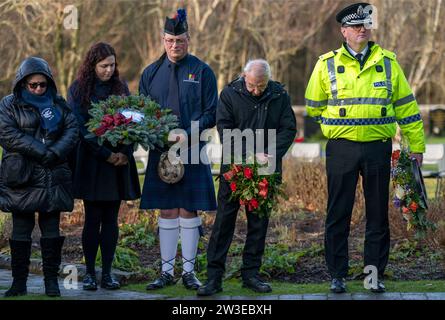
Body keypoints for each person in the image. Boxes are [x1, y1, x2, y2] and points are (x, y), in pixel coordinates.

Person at [304, 3, 425, 293]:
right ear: (343, 31)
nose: (362, 29)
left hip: (377, 148)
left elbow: (407, 108)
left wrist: (417, 146)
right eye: (355, 26)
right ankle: (337, 275)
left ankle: (373, 276)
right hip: (341, 148)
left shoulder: (388, 62)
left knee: (377, 215)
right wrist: (335, 128)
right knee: (338, 213)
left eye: (365, 25)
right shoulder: (326, 63)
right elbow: (312, 107)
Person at [197, 59, 297, 296]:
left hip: (265, 171)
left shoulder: (279, 95)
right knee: (223, 223)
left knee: (258, 224)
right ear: (244, 76)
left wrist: (270, 155)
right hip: (235, 169)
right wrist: (251, 156)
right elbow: (224, 129)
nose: (256, 90)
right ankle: (214, 277)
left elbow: (288, 129)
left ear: (268, 80)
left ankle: (251, 274)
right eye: (252, 85)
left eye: (261, 86)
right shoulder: (230, 94)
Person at [139, 8, 217, 290]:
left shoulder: (203, 71)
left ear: (188, 39)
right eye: (170, 41)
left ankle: (189, 272)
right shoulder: (150, 73)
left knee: (189, 210)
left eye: (180, 40)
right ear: (163, 40)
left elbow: (211, 113)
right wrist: (158, 133)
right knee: (167, 210)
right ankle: (166, 272)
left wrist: (187, 133)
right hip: (162, 151)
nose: (175, 46)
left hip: (193, 149)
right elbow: (142, 113)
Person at [0, 57, 79, 297]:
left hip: (51, 175)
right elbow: (7, 133)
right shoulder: (8, 104)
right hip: (22, 176)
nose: (37, 89)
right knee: (21, 231)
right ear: (22, 83)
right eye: (32, 85)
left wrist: (55, 152)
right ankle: (19, 282)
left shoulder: (58, 103)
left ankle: (51, 282)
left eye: (42, 85)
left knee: (51, 231)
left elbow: (73, 130)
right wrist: (41, 150)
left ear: (49, 83)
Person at [67, 42, 141, 291]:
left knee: (111, 218)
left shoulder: (121, 88)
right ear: (92, 65)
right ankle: (89, 273)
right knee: (92, 218)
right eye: (103, 66)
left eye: (112, 65)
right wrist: (106, 154)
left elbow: (133, 122)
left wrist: (125, 153)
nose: (109, 70)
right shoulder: (78, 90)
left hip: (117, 163)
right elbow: (81, 129)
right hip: (93, 162)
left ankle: (107, 273)